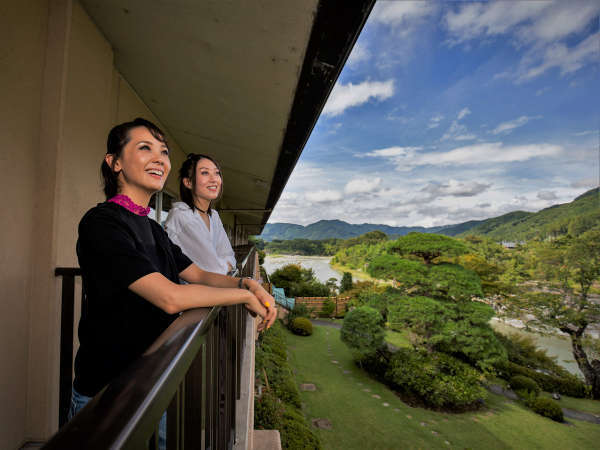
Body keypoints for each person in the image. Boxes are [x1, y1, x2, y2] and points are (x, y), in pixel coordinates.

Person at [69, 118, 277, 445]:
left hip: (150, 380)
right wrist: (241, 298)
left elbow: (198, 274)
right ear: (115, 162)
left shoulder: (151, 227)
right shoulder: (102, 223)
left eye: (164, 152)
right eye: (145, 148)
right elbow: (170, 298)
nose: (159, 158)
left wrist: (248, 285)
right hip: (107, 394)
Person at [165, 154, 236, 275]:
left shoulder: (213, 216)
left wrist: (224, 264)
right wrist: (226, 265)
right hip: (188, 292)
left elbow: (230, 257)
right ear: (188, 182)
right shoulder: (182, 217)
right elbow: (212, 270)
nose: (214, 179)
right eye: (205, 173)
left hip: (211, 289)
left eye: (217, 173)